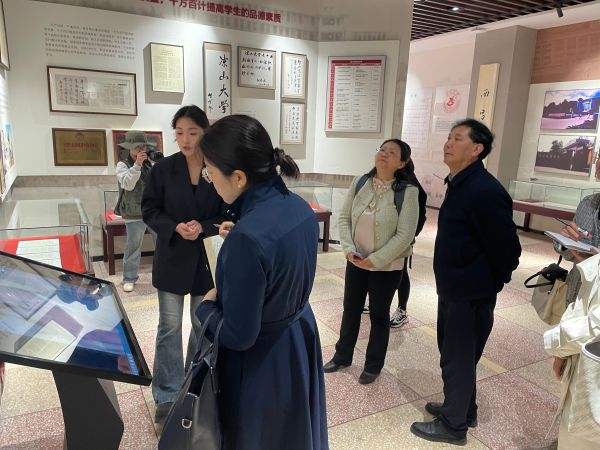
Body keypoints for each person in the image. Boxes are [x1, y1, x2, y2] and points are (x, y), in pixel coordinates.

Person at [195, 114, 328, 450]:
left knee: (259, 436)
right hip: (298, 338)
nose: (209, 180)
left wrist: (206, 309)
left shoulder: (248, 239)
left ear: (239, 177)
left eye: (210, 171)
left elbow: (240, 335)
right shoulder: (299, 207)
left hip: (261, 362)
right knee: (293, 432)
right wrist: (242, 233)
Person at [410, 119, 521, 445]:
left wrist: (491, 282)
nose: (448, 143)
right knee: (456, 353)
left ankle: (453, 426)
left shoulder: (484, 191)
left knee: (457, 357)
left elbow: (507, 248)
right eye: (449, 137)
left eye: (457, 138)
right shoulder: (461, 183)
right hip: (456, 288)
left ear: (477, 149)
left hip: (470, 292)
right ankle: (463, 409)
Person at [141, 105, 225, 424]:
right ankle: (166, 393)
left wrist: (203, 226)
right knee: (169, 326)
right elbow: (150, 210)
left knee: (202, 325)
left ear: (205, 133)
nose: (185, 139)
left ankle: (192, 385)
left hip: (204, 260)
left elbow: (228, 211)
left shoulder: (216, 168)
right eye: (179, 132)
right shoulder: (163, 169)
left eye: (192, 132)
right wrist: (174, 227)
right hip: (172, 256)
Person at [323, 138, 419, 385]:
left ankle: (373, 365)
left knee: (378, 315)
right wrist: (348, 250)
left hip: (387, 266)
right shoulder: (360, 182)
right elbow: (344, 218)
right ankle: (342, 356)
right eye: (382, 149)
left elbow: (405, 235)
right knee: (350, 309)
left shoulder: (408, 192)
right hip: (356, 261)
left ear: (402, 163)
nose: (384, 154)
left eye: (392, 152)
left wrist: (376, 260)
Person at [544, 252, 600, 449]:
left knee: (583, 433)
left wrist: (556, 345)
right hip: (578, 343)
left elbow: (595, 326)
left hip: (587, 351)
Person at [115, 130, 158, 293]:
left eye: (142, 146)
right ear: (129, 148)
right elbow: (128, 184)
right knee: (133, 247)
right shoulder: (122, 165)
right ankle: (129, 278)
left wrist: (155, 165)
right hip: (133, 213)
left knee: (161, 244)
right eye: (136, 147)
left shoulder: (149, 163)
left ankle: (162, 275)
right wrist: (137, 165)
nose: (140, 150)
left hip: (152, 211)